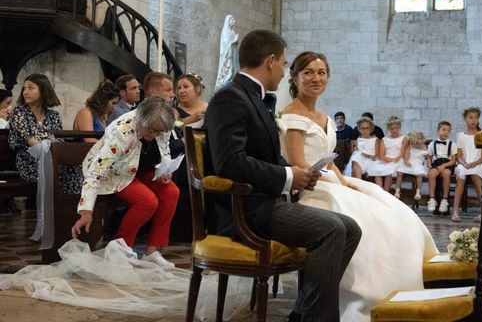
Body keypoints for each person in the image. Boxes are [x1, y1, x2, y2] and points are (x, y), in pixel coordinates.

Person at [204, 31, 362, 322]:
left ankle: (303, 312)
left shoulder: (252, 97)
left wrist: (298, 174)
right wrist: (288, 176)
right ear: (270, 61)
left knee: (351, 228)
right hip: (245, 209)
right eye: (283, 63)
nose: (282, 71)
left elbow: (264, 156)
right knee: (332, 230)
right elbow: (230, 163)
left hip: (265, 200)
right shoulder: (230, 98)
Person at [279, 50, 437, 321]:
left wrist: (345, 182)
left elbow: (330, 160)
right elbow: (298, 162)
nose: (316, 78)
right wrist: (334, 183)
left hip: (329, 179)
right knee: (365, 218)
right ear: (295, 78)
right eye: (308, 73)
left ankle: (404, 285)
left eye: (321, 73)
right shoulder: (293, 114)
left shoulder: (324, 115)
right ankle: (363, 298)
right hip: (310, 186)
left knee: (386, 205)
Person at [71, 97, 180, 268]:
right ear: (140, 119)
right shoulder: (122, 131)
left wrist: (164, 170)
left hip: (139, 167)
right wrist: (86, 211)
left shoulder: (162, 123)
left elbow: (164, 147)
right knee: (147, 201)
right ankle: (120, 248)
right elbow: (95, 172)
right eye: (150, 130)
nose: (153, 135)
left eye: (158, 132)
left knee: (171, 192)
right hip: (114, 172)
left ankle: (152, 251)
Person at [8, 73, 82, 193]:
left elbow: (58, 140)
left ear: (43, 90)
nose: (25, 92)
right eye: (24, 88)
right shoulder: (19, 112)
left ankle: (68, 208)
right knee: (63, 170)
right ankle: (57, 208)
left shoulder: (54, 115)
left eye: (30, 88)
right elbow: (30, 140)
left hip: (51, 158)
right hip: (29, 161)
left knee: (75, 168)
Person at [453, 107, 482, 223]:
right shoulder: (460, 135)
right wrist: (464, 163)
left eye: (476, 118)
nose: (473, 120)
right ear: (465, 119)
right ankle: (456, 211)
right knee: (461, 174)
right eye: (470, 118)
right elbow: (459, 156)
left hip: (478, 164)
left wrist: (474, 163)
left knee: (476, 176)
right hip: (464, 164)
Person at [368, 115, 407, 191]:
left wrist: (393, 160)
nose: (394, 130)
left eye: (396, 128)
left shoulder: (403, 139)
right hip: (386, 159)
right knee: (377, 171)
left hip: (398, 160)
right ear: (389, 129)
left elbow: (402, 154)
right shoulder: (384, 140)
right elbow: (382, 155)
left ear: (399, 128)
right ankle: (380, 192)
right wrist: (388, 159)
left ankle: (386, 192)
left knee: (389, 172)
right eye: (391, 128)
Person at [425, 121, 457, 213]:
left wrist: (444, 166)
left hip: (447, 163)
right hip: (436, 163)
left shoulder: (452, 144)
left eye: (448, 130)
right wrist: (429, 164)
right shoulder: (432, 144)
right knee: (431, 173)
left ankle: (445, 199)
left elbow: (454, 160)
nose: (446, 132)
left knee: (446, 173)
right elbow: (429, 156)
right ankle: (432, 199)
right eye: (443, 130)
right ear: (438, 131)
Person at [396, 130, 429, 201]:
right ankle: (397, 189)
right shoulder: (410, 147)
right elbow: (407, 154)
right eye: (413, 143)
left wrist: (428, 162)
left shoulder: (424, 148)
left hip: (418, 164)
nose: (415, 145)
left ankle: (418, 191)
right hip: (409, 163)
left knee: (419, 175)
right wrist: (406, 161)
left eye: (417, 143)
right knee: (399, 172)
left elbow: (427, 157)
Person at [214, 14, 239, 92]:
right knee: (228, 72)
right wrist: (233, 41)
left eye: (234, 20)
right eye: (232, 20)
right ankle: (223, 87)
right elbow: (225, 44)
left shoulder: (232, 32)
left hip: (232, 56)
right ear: (228, 21)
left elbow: (234, 45)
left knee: (233, 72)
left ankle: (230, 87)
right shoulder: (225, 31)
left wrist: (235, 42)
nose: (234, 22)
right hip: (227, 57)